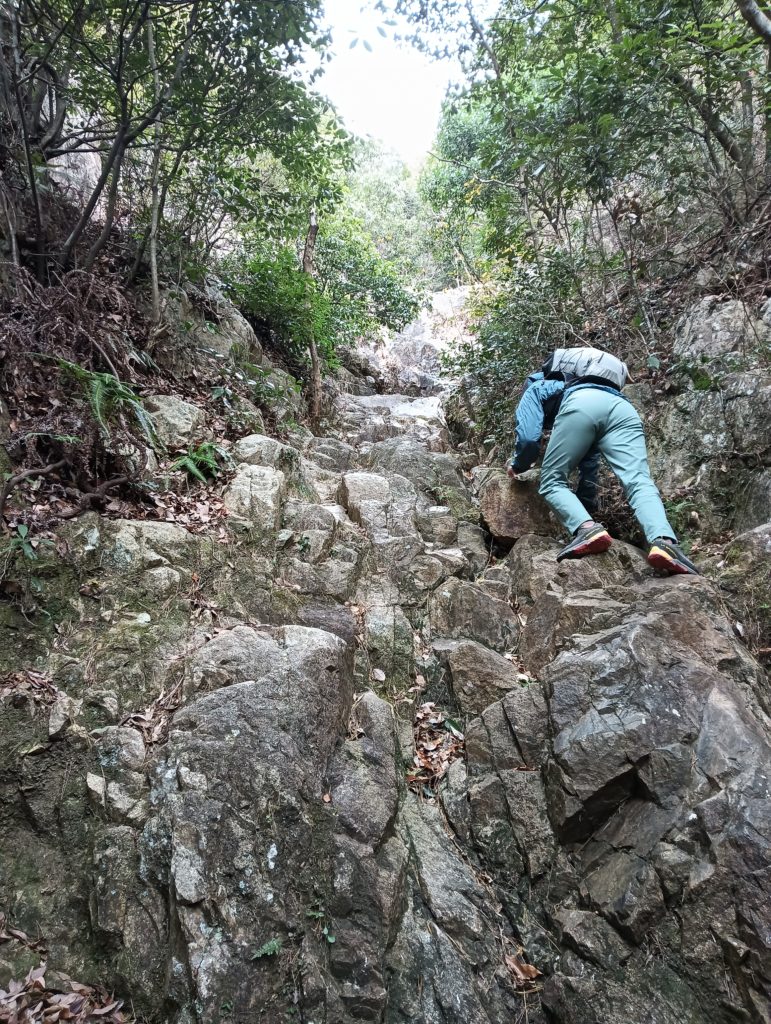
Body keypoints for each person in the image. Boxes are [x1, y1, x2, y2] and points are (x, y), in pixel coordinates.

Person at [507, 346, 699, 575]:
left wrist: (518, 465)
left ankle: (585, 530)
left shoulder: (536, 387)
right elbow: (589, 464)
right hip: (623, 409)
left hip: (582, 404)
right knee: (638, 480)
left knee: (551, 480)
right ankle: (665, 542)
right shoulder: (584, 384)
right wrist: (586, 507)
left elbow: (528, 438)